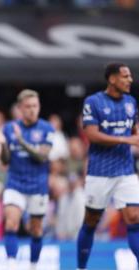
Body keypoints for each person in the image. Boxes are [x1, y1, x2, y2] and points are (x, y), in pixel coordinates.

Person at [77, 63, 139, 270]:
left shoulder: (131, 102)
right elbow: (92, 134)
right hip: (100, 172)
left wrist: (135, 137)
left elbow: (136, 132)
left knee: (134, 218)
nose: (130, 80)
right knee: (91, 220)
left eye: (130, 76)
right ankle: (81, 267)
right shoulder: (93, 102)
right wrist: (126, 140)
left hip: (125, 171)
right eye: (125, 76)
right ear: (112, 79)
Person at [0, 89, 54, 270]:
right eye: (28, 106)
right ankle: (11, 264)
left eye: (35, 106)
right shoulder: (9, 128)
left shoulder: (46, 128)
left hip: (38, 186)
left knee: (36, 229)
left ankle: (33, 266)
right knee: (11, 222)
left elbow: (42, 157)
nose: (32, 110)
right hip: (15, 183)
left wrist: (20, 141)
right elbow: (5, 160)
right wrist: (4, 144)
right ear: (20, 108)